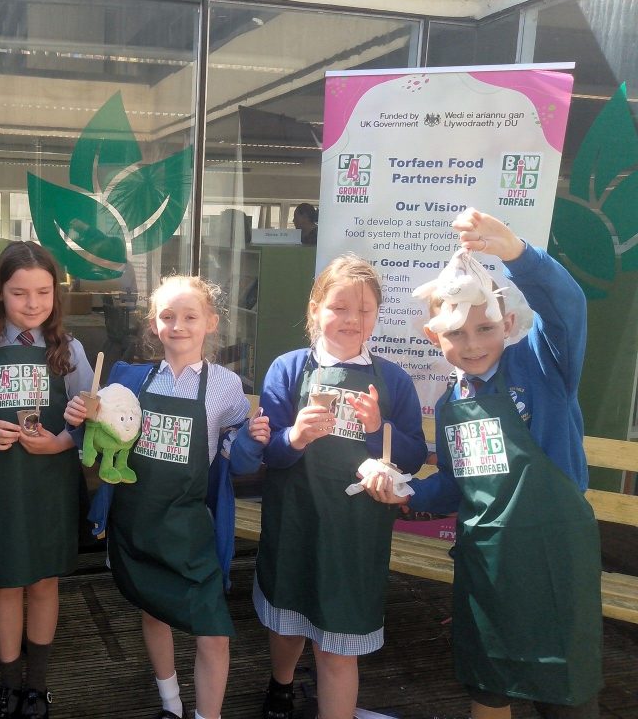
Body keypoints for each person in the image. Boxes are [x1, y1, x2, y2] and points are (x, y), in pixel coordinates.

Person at [364, 209, 602, 719]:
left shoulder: (542, 366)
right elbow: (454, 487)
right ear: (434, 337)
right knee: (488, 688)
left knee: (567, 695)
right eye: (456, 332)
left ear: (509, 323)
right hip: (488, 569)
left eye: (485, 327)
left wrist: (517, 255)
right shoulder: (451, 405)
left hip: (555, 559)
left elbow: (567, 308)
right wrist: (405, 491)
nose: (472, 344)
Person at [230, 254, 427, 719]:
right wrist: (295, 435)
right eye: (339, 307)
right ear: (316, 308)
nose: (351, 320)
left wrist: (383, 428)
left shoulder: (393, 380)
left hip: (356, 531)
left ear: (378, 316)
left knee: (339, 643)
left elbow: (415, 455)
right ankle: (280, 685)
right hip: (295, 519)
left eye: (364, 311)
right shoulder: (288, 369)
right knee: (289, 620)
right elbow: (271, 457)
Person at [66, 275, 262, 719]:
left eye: (190, 316)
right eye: (167, 317)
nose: (179, 326)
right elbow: (99, 438)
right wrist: (80, 416)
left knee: (213, 632)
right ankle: (171, 704)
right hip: (136, 521)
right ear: (154, 324)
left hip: (189, 528)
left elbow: (237, 456)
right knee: (153, 611)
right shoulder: (129, 379)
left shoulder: (227, 387)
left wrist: (255, 437)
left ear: (210, 323)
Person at [0, 241, 93, 719]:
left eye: (43, 292)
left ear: (56, 294)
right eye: (19, 293)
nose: (32, 303)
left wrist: (63, 440)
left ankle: (38, 685)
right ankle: (8, 682)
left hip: (50, 482)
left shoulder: (69, 349)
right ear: (0, 294)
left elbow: (94, 421)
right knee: (5, 584)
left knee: (45, 583)